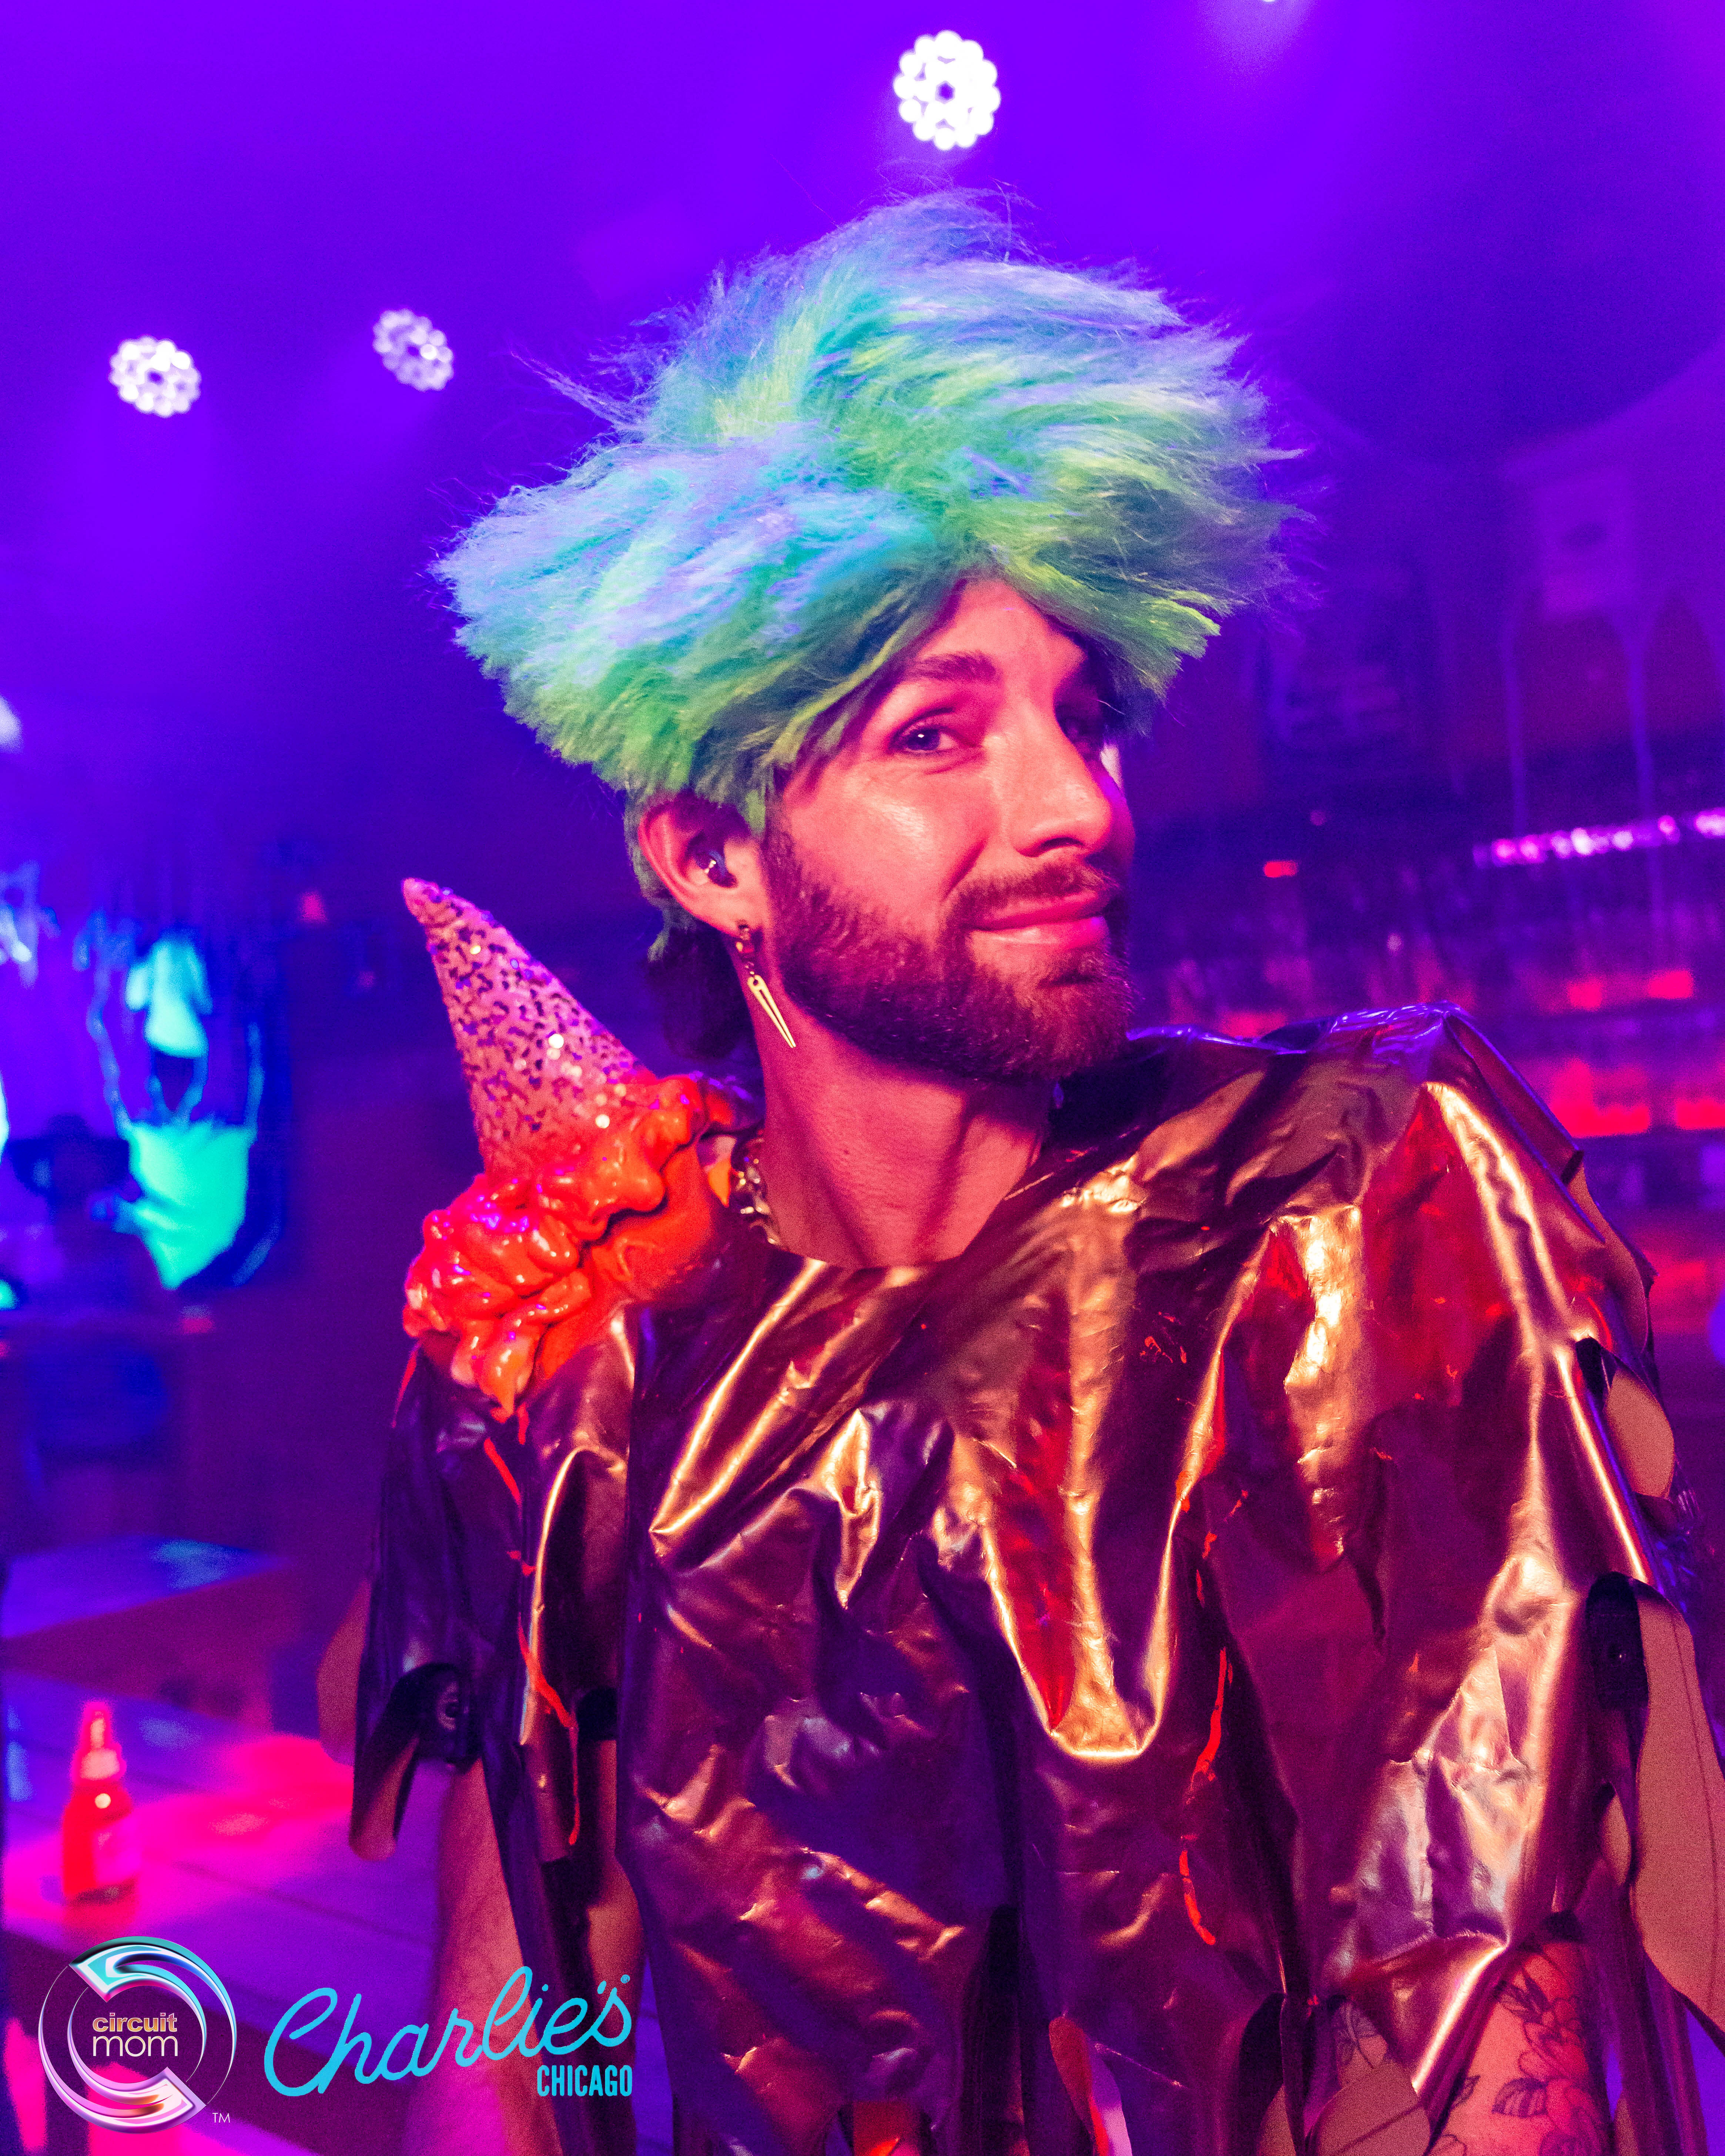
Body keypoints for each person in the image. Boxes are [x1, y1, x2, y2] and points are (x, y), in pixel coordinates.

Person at [335, 199, 1725, 2156]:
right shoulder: (584, 1348)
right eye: (939, 734)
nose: (1077, 803)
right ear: (713, 860)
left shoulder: (1339, 1215)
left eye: (1082, 713)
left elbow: (1492, 2038)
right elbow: (514, 2022)